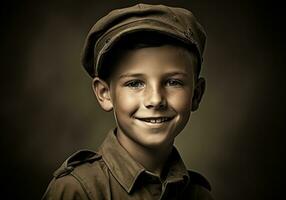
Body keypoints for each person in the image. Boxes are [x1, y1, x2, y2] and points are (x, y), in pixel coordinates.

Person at [42, 3, 213, 200]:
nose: (155, 100)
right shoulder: (76, 191)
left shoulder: (200, 195)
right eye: (134, 83)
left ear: (197, 94)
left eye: (173, 82)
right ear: (105, 93)